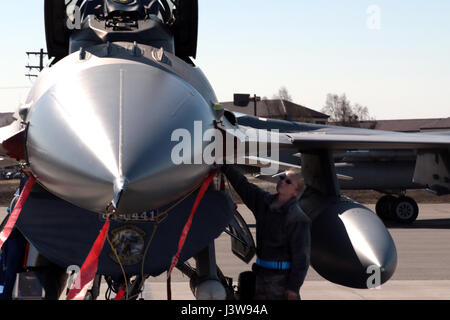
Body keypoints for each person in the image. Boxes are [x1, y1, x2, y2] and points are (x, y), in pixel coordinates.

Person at [222, 165, 311, 300]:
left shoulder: (298, 219)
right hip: (261, 276)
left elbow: (302, 258)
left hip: (282, 281)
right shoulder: (264, 203)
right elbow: (244, 186)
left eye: (288, 182)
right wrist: (226, 167)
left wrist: (293, 288)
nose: (282, 181)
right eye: (282, 177)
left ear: (296, 192)